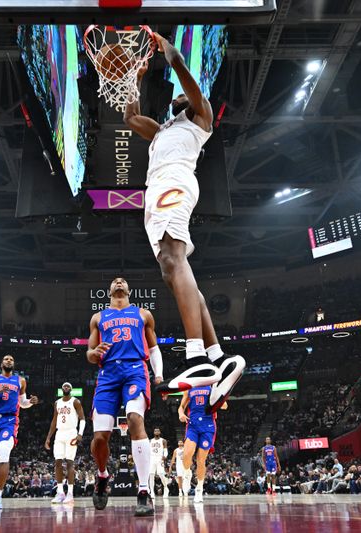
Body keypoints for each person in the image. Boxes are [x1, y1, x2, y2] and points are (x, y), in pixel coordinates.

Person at [123, 32, 245, 412]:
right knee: (172, 268)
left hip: (174, 182)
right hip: (157, 190)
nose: (179, 98)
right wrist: (131, 76)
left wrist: (166, 48)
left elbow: (184, 75)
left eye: (184, 96)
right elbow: (129, 117)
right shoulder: (163, 131)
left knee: (172, 259)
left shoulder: (200, 118)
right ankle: (218, 354)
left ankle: (197, 359)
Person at [86, 277, 163, 516]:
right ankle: (102, 476)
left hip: (134, 371)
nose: (119, 282)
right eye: (114, 281)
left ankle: (143, 491)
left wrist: (158, 375)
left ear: (129, 290)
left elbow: (153, 348)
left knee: (134, 419)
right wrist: (93, 352)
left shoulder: (143, 314)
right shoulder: (98, 317)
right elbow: (89, 354)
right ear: (109, 290)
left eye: (123, 281)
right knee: (100, 437)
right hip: (108, 374)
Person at [0, 354, 39, 509]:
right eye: (6, 359)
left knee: (4, 453)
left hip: (10, 421)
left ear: (13, 364)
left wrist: (30, 402)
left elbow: (22, 403)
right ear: (1, 363)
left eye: (11, 359)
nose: (9, 361)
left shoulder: (20, 380)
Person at [178, 385, 227, 503]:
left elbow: (225, 406)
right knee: (187, 453)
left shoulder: (213, 388)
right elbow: (181, 407)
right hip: (192, 424)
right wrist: (181, 414)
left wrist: (220, 399)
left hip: (208, 425)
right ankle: (187, 473)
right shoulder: (189, 388)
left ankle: (199, 489)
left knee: (201, 460)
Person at [45, 382, 86, 505]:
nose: (66, 387)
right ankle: (60, 492)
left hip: (71, 433)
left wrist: (80, 434)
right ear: (62, 388)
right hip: (60, 433)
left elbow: (82, 418)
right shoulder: (57, 403)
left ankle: (70, 493)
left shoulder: (75, 402)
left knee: (69, 462)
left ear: (71, 389)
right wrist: (48, 438)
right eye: (64, 386)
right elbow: (54, 421)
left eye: (68, 386)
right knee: (57, 462)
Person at [149, 428, 170, 499]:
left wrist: (165, 456)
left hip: (159, 458)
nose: (156, 432)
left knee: (161, 474)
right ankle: (152, 492)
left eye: (158, 431)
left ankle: (166, 488)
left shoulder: (163, 440)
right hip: (152, 458)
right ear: (153, 432)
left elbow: (165, 450)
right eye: (155, 431)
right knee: (151, 474)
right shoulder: (150, 441)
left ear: (160, 432)